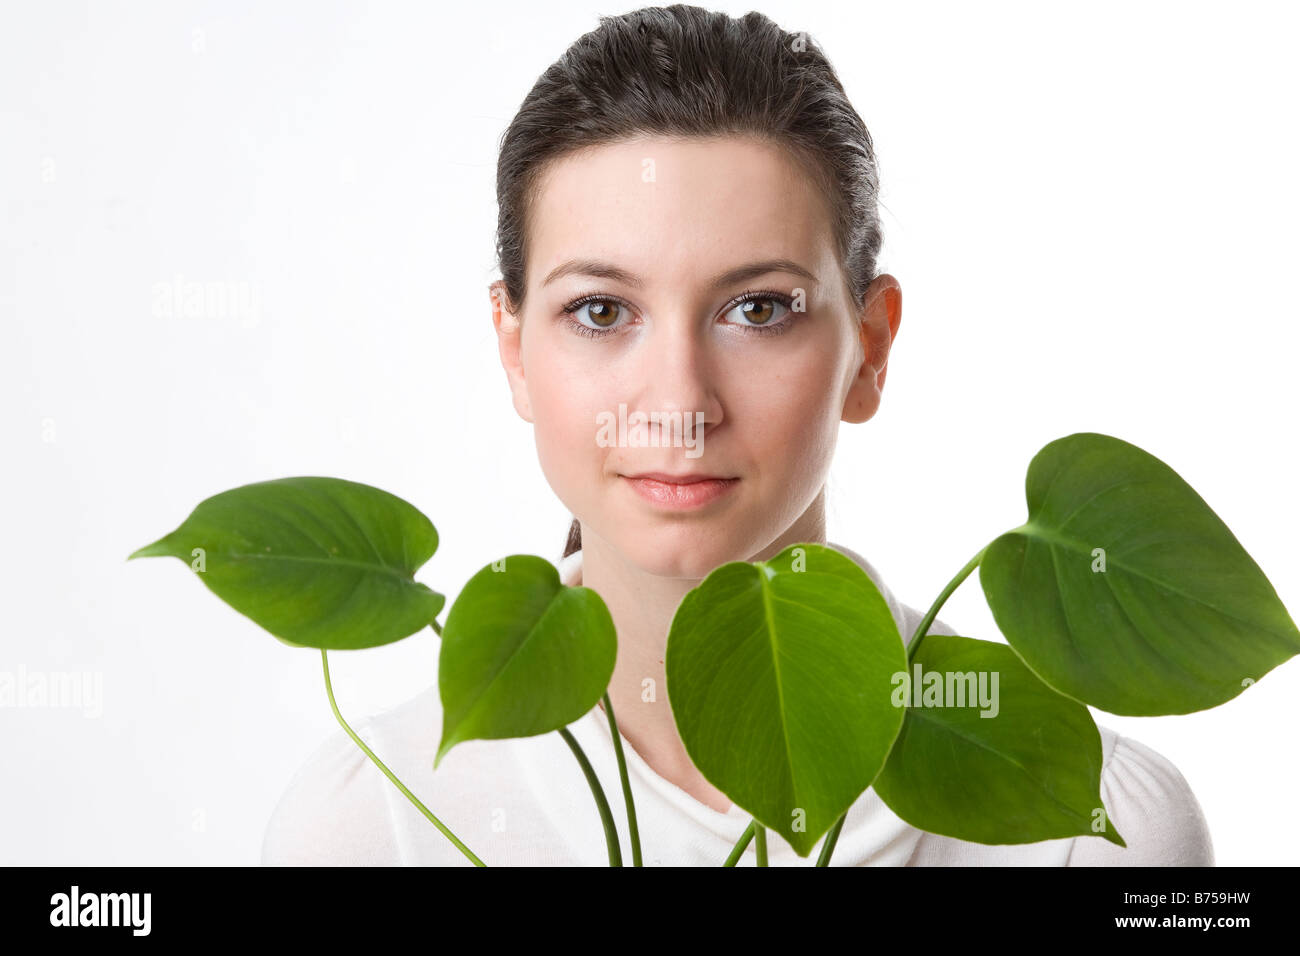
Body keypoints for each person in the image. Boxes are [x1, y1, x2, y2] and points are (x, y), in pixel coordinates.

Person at [261, 4, 1213, 866]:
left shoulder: (1100, 835)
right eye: (600, 312)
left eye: (758, 308)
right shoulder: (374, 824)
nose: (679, 401)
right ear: (513, 348)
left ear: (870, 350)